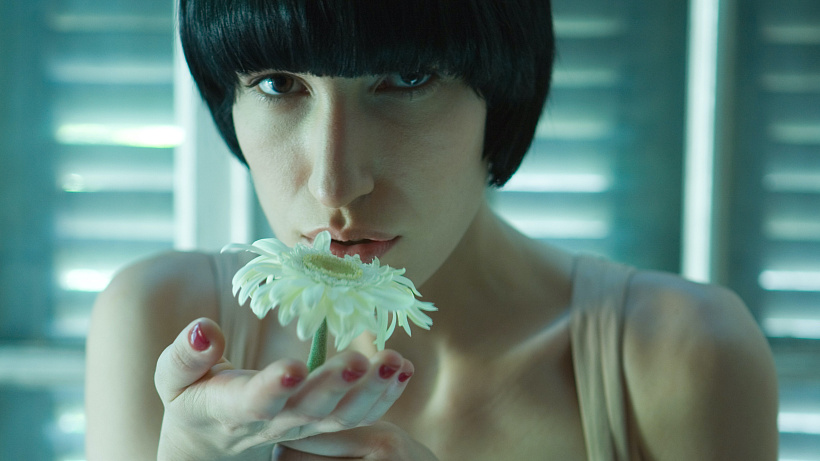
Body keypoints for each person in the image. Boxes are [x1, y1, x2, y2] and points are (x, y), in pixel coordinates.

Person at [84, 1, 779, 460]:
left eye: (406, 77)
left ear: (500, 92)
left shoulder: (679, 360)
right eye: (277, 83)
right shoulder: (164, 323)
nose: (334, 183)